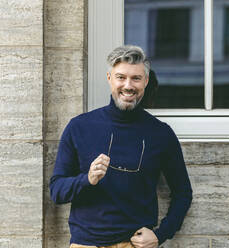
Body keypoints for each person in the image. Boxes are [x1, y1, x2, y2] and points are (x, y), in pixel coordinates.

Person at [49, 45, 193, 248]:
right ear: (109, 78)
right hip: (87, 244)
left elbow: (183, 193)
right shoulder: (79, 127)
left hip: (134, 244)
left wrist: (161, 235)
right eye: (121, 77)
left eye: (135, 78)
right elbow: (56, 191)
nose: (128, 85)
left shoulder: (161, 134)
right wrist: (87, 179)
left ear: (146, 81)